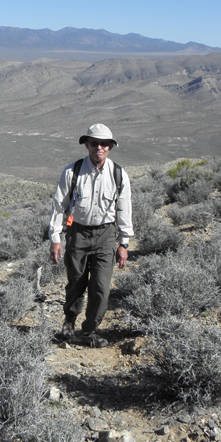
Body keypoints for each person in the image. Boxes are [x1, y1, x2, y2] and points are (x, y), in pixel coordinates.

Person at [49, 123, 133, 347]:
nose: (99, 148)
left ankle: (89, 332)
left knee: (101, 287)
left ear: (110, 147)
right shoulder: (72, 172)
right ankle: (69, 322)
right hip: (78, 233)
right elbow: (59, 207)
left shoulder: (118, 174)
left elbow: (124, 209)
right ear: (87, 144)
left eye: (104, 144)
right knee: (76, 282)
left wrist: (123, 243)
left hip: (106, 235)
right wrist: (55, 238)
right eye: (95, 143)